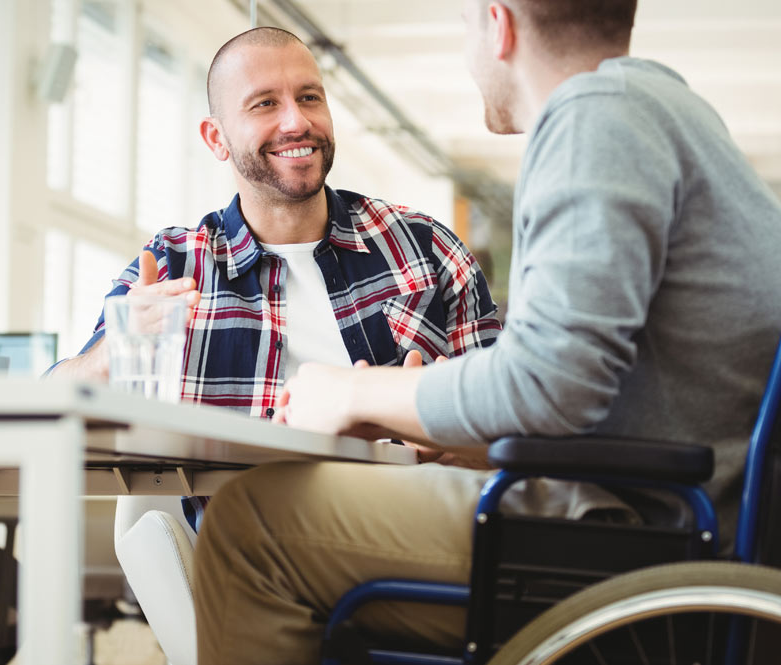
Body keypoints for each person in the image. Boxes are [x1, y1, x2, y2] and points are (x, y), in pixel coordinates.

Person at [193, 0, 781, 663]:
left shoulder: (597, 118)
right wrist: (433, 423)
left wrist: (354, 393)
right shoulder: (669, 110)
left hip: (642, 543)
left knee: (249, 523)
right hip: (682, 523)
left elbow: (548, 384)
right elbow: (586, 390)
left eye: (465, 27)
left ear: (497, 24)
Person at [49, 27, 501, 531]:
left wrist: (446, 438)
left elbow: (516, 432)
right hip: (243, 560)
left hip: (411, 547)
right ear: (216, 138)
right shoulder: (173, 264)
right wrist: (110, 355)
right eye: (264, 104)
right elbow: (52, 408)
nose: (297, 121)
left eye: (310, 97)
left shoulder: (427, 248)